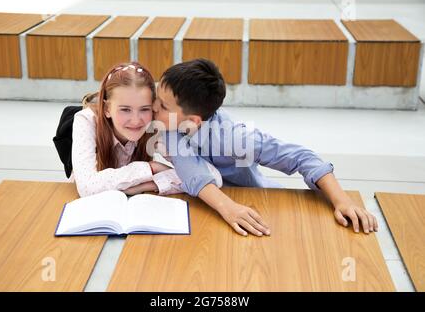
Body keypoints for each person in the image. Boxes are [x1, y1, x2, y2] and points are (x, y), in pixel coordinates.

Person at [150, 58, 378, 237]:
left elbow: (301, 157)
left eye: (163, 105)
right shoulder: (171, 127)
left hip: (254, 202)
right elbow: (192, 172)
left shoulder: (235, 138)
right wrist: (227, 207)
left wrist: (342, 201)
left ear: (194, 120)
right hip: (215, 206)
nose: (153, 106)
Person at [70, 61, 222, 197]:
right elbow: (87, 187)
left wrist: (153, 184)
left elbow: (212, 175)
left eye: (144, 109)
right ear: (107, 108)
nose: (136, 121)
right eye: (125, 110)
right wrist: (149, 168)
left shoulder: (155, 127)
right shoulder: (86, 121)